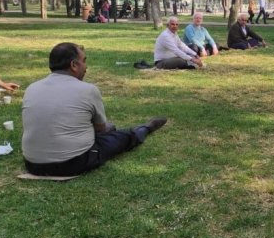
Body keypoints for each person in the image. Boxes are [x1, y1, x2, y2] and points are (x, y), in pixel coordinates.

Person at [21, 43, 167, 176]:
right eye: (84, 61)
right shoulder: (88, 90)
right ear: (74, 65)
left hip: (33, 165)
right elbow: (100, 128)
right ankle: (144, 129)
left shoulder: (31, 88)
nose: (86, 67)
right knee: (121, 136)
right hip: (72, 163)